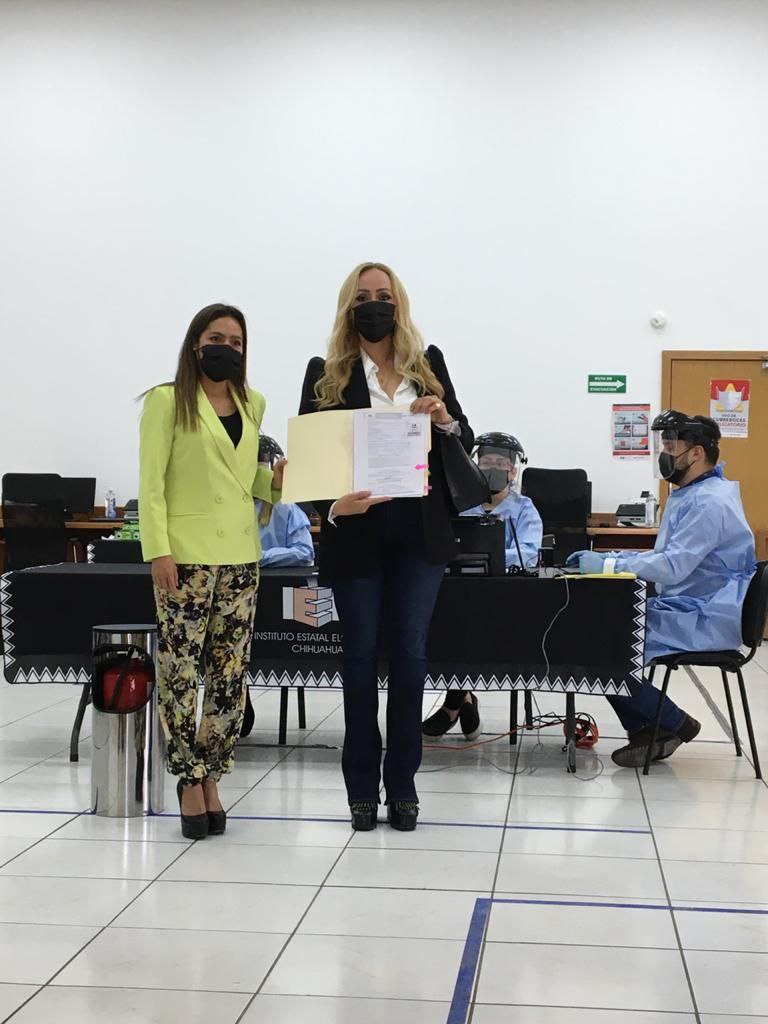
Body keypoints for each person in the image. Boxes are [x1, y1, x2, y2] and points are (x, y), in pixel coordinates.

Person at [299, 261, 474, 832]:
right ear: (348, 307)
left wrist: (442, 416)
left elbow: (465, 437)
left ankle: (403, 785)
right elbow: (309, 461)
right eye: (362, 297)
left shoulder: (429, 364)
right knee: (357, 661)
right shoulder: (324, 373)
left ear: (399, 302)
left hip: (420, 535)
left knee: (410, 660)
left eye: (383, 294)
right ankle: (360, 788)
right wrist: (332, 509)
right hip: (357, 533)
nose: (374, 304)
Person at [139, 303, 285, 838]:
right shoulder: (166, 401)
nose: (227, 348)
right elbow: (151, 483)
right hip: (185, 558)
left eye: (237, 341)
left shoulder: (253, 402)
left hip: (242, 557)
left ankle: (214, 773)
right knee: (180, 672)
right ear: (196, 344)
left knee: (229, 673)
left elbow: (247, 482)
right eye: (216, 338)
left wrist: (278, 481)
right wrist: (158, 550)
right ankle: (188, 777)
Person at [568, 411, 756, 768]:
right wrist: (611, 557)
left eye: (671, 447)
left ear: (696, 453)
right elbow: (664, 556)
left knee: (600, 645)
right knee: (596, 634)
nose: (664, 454)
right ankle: (650, 729)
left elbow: (672, 567)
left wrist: (607, 567)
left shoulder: (710, 502)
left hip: (707, 616)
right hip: (690, 605)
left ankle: (673, 722)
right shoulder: (692, 494)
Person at [422, 431, 543, 740]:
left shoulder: (524, 508)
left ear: (513, 471)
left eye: (502, 463)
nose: (493, 468)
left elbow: (529, 554)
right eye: (486, 462)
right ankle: (461, 698)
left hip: (507, 595)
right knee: (448, 624)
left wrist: (489, 556)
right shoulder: (460, 504)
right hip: (462, 591)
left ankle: (454, 703)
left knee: (472, 626)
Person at [240, 435, 314, 738]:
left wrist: (258, 557)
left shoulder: (286, 508)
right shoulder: (230, 506)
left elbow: (305, 552)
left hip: (276, 603)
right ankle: (238, 696)